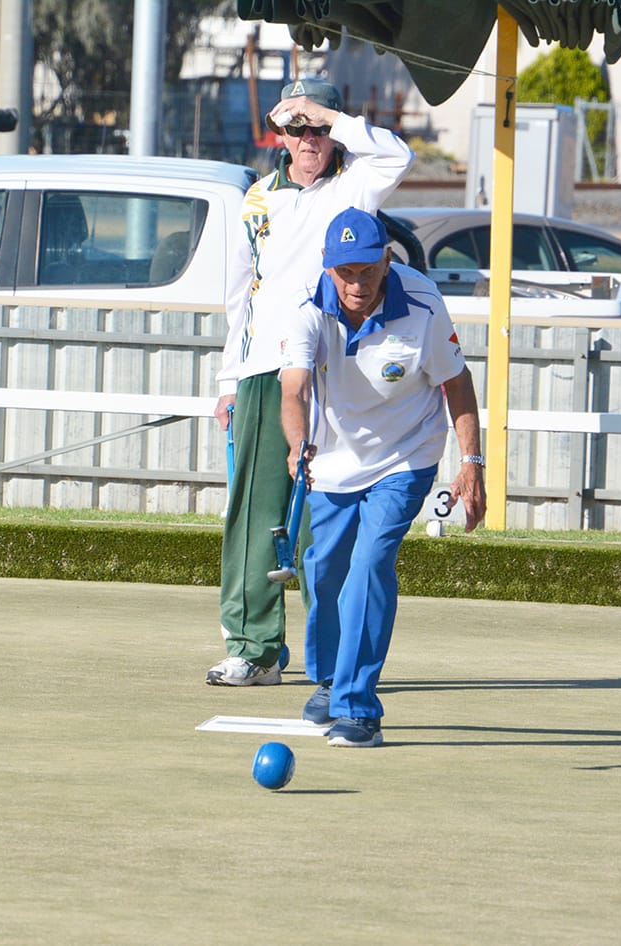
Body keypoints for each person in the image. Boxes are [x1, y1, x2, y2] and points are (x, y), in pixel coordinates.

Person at [207, 77, 416, 687]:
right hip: (266, 370)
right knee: (255, 511)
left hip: (338, 372)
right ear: (281, 135)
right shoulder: (256, 199)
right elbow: (241, 295)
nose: (307, 140)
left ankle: (334, 658)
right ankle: (255, 649)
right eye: (295, 129)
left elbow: (398, 155)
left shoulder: (357, 184)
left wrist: (328, 115)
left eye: (317, 128)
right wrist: (228, 379)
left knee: (329, 519)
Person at [278, 206, 485, 746]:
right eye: (345, 272)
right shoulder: (303, 302)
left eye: (368, 270)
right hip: (332, 456)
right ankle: (330, 680)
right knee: (324, 571)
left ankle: (358, 707)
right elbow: (294, 387)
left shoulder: (423, 301)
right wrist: (297, 444)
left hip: (406, 454)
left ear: (387, 260)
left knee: (370, 565)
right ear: (327, 267)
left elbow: (456, 382)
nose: (357, 284)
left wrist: (471, 463)